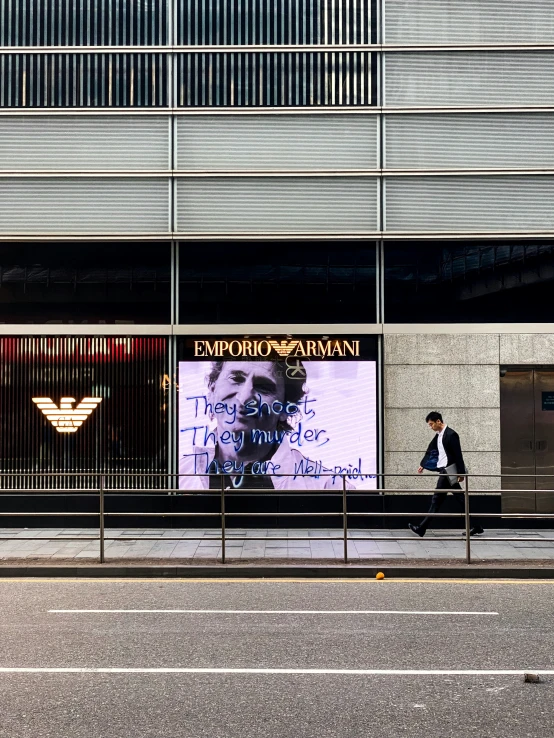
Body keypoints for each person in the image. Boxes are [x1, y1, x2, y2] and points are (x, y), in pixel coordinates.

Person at [179, 359, 352, 491]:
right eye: (236, 378)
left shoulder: (328, 487)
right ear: (212, 391)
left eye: (263, 387)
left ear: (286, 409)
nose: (244, 397)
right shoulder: (179, 475)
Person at [408, 411, 484, 537]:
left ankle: (421, 528)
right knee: (460, 499)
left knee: (436, 500)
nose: (431, 427)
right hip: (445, 471)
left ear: (439, 421)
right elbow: (431, 450)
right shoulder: (438, 435)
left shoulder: (451, 434)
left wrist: (460, 473)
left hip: (448, 471)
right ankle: (477, 526)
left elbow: (458, 455)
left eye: (432, 424)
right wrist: (424, 464)